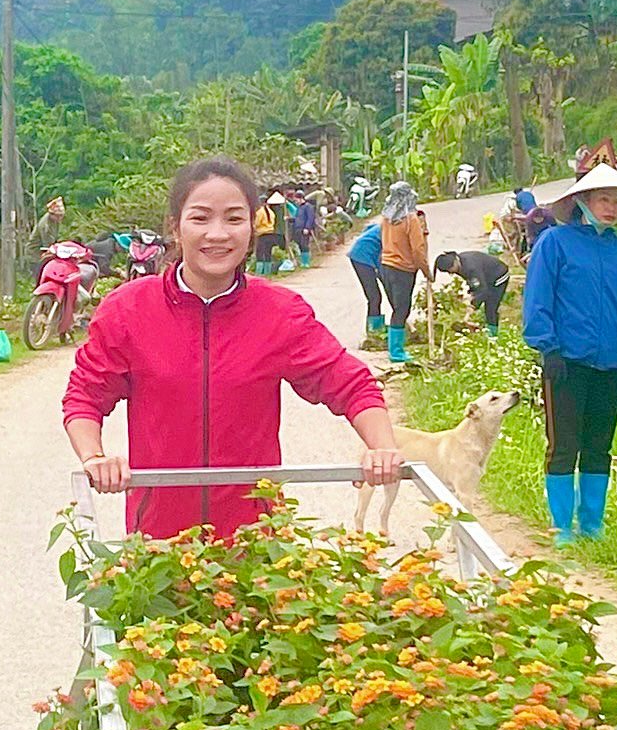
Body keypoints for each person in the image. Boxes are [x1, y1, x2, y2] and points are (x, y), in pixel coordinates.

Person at [62, 156, 401, 540]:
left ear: (253, 226)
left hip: (255, 545)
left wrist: (382, 448)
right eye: (201, 218)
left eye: (234, 219)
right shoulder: (128, 311)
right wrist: (95, 457)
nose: (218, 234)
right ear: (175, 227)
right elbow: (84, 396)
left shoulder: (279, 313)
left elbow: (350, 383)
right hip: (159, 542)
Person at [521, 161, 617, 544]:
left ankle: (592, 526)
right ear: (583, 201)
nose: (611, 208)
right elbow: (537, 301)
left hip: (612, 362)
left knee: (599, 446)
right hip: (566, 361)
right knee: (564, 444)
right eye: (604, 199)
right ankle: (562, 527)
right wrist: (548, 348)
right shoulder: (554, 244)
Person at [377, 182, 430, 366]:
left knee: (396, 308)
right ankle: (397, 352)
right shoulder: (410, 219)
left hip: (385, 266)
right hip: (403, 270)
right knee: (402, 310)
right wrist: (426, 270)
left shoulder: (385, 218)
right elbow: (417, 249)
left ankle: (395, 348)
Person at [434, 245, 508, 335]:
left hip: (498, 275)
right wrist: (472, 295)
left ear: (454, 263)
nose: (451, 273)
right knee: (483, 300)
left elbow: (482, 290)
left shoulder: (470, 267)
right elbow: (474, 282)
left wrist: (473, 305)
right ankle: (487, 326)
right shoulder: (460, 263)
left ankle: (493, 334)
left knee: (491, 306)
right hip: (485, 276)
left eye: (450, 270)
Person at [348, 209, 388, 344]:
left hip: (359, 254)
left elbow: (367, 230)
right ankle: (373, 332)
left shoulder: (380, 227)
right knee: (374, 297)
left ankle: (375, 329)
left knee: (375, 296)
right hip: (362, 258)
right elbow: (382, 260)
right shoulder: (389, 233)